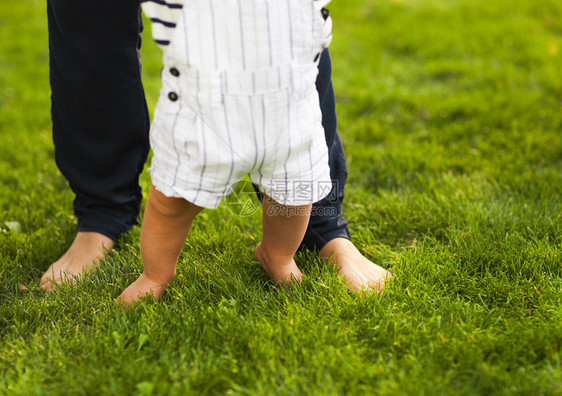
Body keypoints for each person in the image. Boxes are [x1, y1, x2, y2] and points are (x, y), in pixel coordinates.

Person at [41, 0, 391, 293]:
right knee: (173, 201)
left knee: (296, 189)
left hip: (290, 96)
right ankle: (148, 265)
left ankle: (287, 249)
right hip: (201, 99)